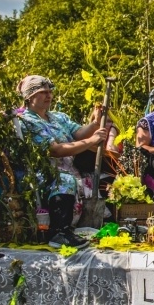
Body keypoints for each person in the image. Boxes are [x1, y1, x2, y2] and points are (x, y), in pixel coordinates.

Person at [16, 75, 107, 249]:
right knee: (63, 180)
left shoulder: (58, 117)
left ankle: (77, 228)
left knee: (99, 181)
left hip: (68, 168)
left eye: (50, 92)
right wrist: (91, 141)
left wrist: (95, 123)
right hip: (42, 172)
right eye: (43, 92)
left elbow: (79, 133)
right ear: (29, 97)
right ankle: (59, 232)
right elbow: (55, 150)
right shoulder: (27, 121)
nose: (48, 95)